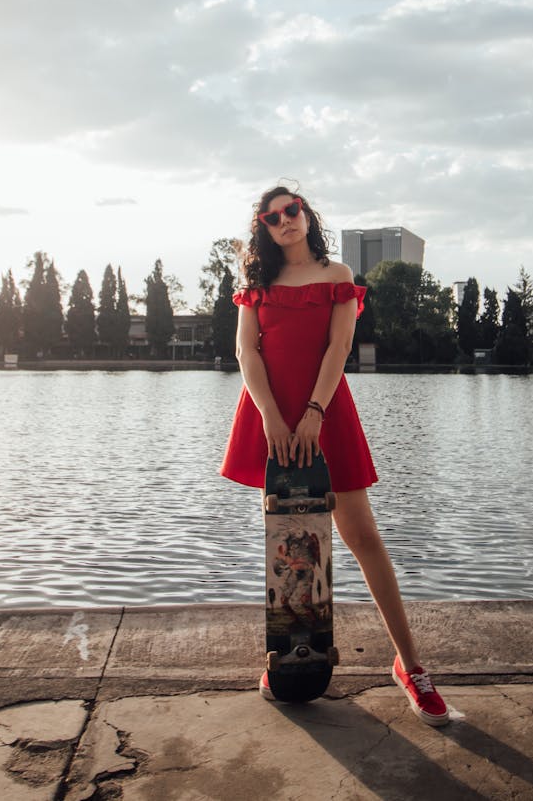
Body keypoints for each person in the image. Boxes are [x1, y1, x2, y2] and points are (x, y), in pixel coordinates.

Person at [220, 185, 449, 727]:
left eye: (292, 210)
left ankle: (410, 667)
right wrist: (274, 419)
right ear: (264, 228)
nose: (285, 222)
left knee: (363, 538)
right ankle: (287, 661)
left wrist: (315, 412)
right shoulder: (257, 285)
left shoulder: (338, 277)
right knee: (286, 546)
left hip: (326, 415)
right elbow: (244, 352)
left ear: (306, 215)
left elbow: (338, 348)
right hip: (270, 419)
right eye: (273, 217)